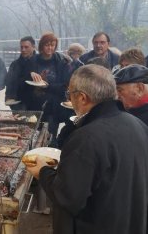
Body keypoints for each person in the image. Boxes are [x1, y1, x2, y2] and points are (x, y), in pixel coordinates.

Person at [26, 64, 148, 234]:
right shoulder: (138, 125)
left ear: (82, 98)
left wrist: (43, 171)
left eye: (70, 94)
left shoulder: (87, 137)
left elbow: (67, 197)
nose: (69, 98)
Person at [23, 32, 72, 137]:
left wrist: (48, 86)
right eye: (47, 45)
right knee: (32, 135)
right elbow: (23, 79)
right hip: (34, 105)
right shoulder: (33, 60)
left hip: (52, 108)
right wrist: (30, 73)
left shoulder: (61, 61)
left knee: (49, 136)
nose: (50, 48)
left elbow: (65, 85)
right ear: (41, 46)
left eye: (52, 45)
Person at [5, 36, 37, 110]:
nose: (23, 50)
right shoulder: (14, 64)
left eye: (26, 47)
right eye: (21, 47)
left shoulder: (39, 62)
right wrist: (8, 98)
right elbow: (9, 84)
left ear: (33, 47)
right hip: (17, 104)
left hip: (35, 103)